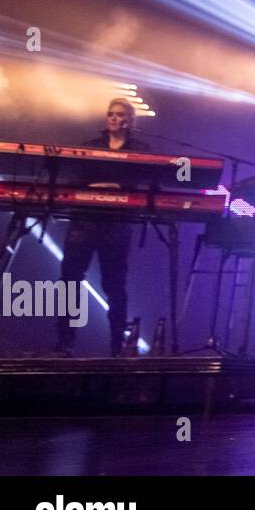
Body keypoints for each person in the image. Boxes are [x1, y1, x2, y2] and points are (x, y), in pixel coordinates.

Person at [54, 98, 152, 357]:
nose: (113, 118)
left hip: (117, 223)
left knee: (114, 285)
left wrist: (118, 189)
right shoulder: (90, 147)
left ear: (130, 120)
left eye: (120, 114)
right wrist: (93, 188)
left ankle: (116, 346)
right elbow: (74, 177)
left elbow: (146, 182)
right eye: (110, 114)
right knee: (70, 281)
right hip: (85, 219)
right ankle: (65, 342)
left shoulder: (140, 149)